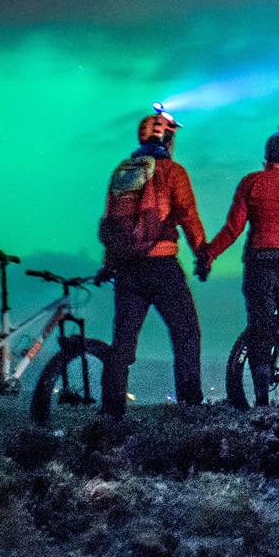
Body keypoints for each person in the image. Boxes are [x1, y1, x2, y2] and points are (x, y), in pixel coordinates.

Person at [95, 107, 209, 418]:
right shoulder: (174, 173)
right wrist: (203, 255)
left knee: (123, 344)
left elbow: (113, 220)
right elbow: (188, 216)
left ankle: (111, 413)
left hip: (126, 268)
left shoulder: (123, 171)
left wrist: (109, 263)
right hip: (161, 266)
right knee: (186, 332)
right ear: (167, 138)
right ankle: (190, 407)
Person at [201, 122, 279, 404]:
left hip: (260, 266)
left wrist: (210, 253)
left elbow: (233, 228)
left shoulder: (252, 182)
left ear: (268, 156)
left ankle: (262, 400)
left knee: (261, 329)